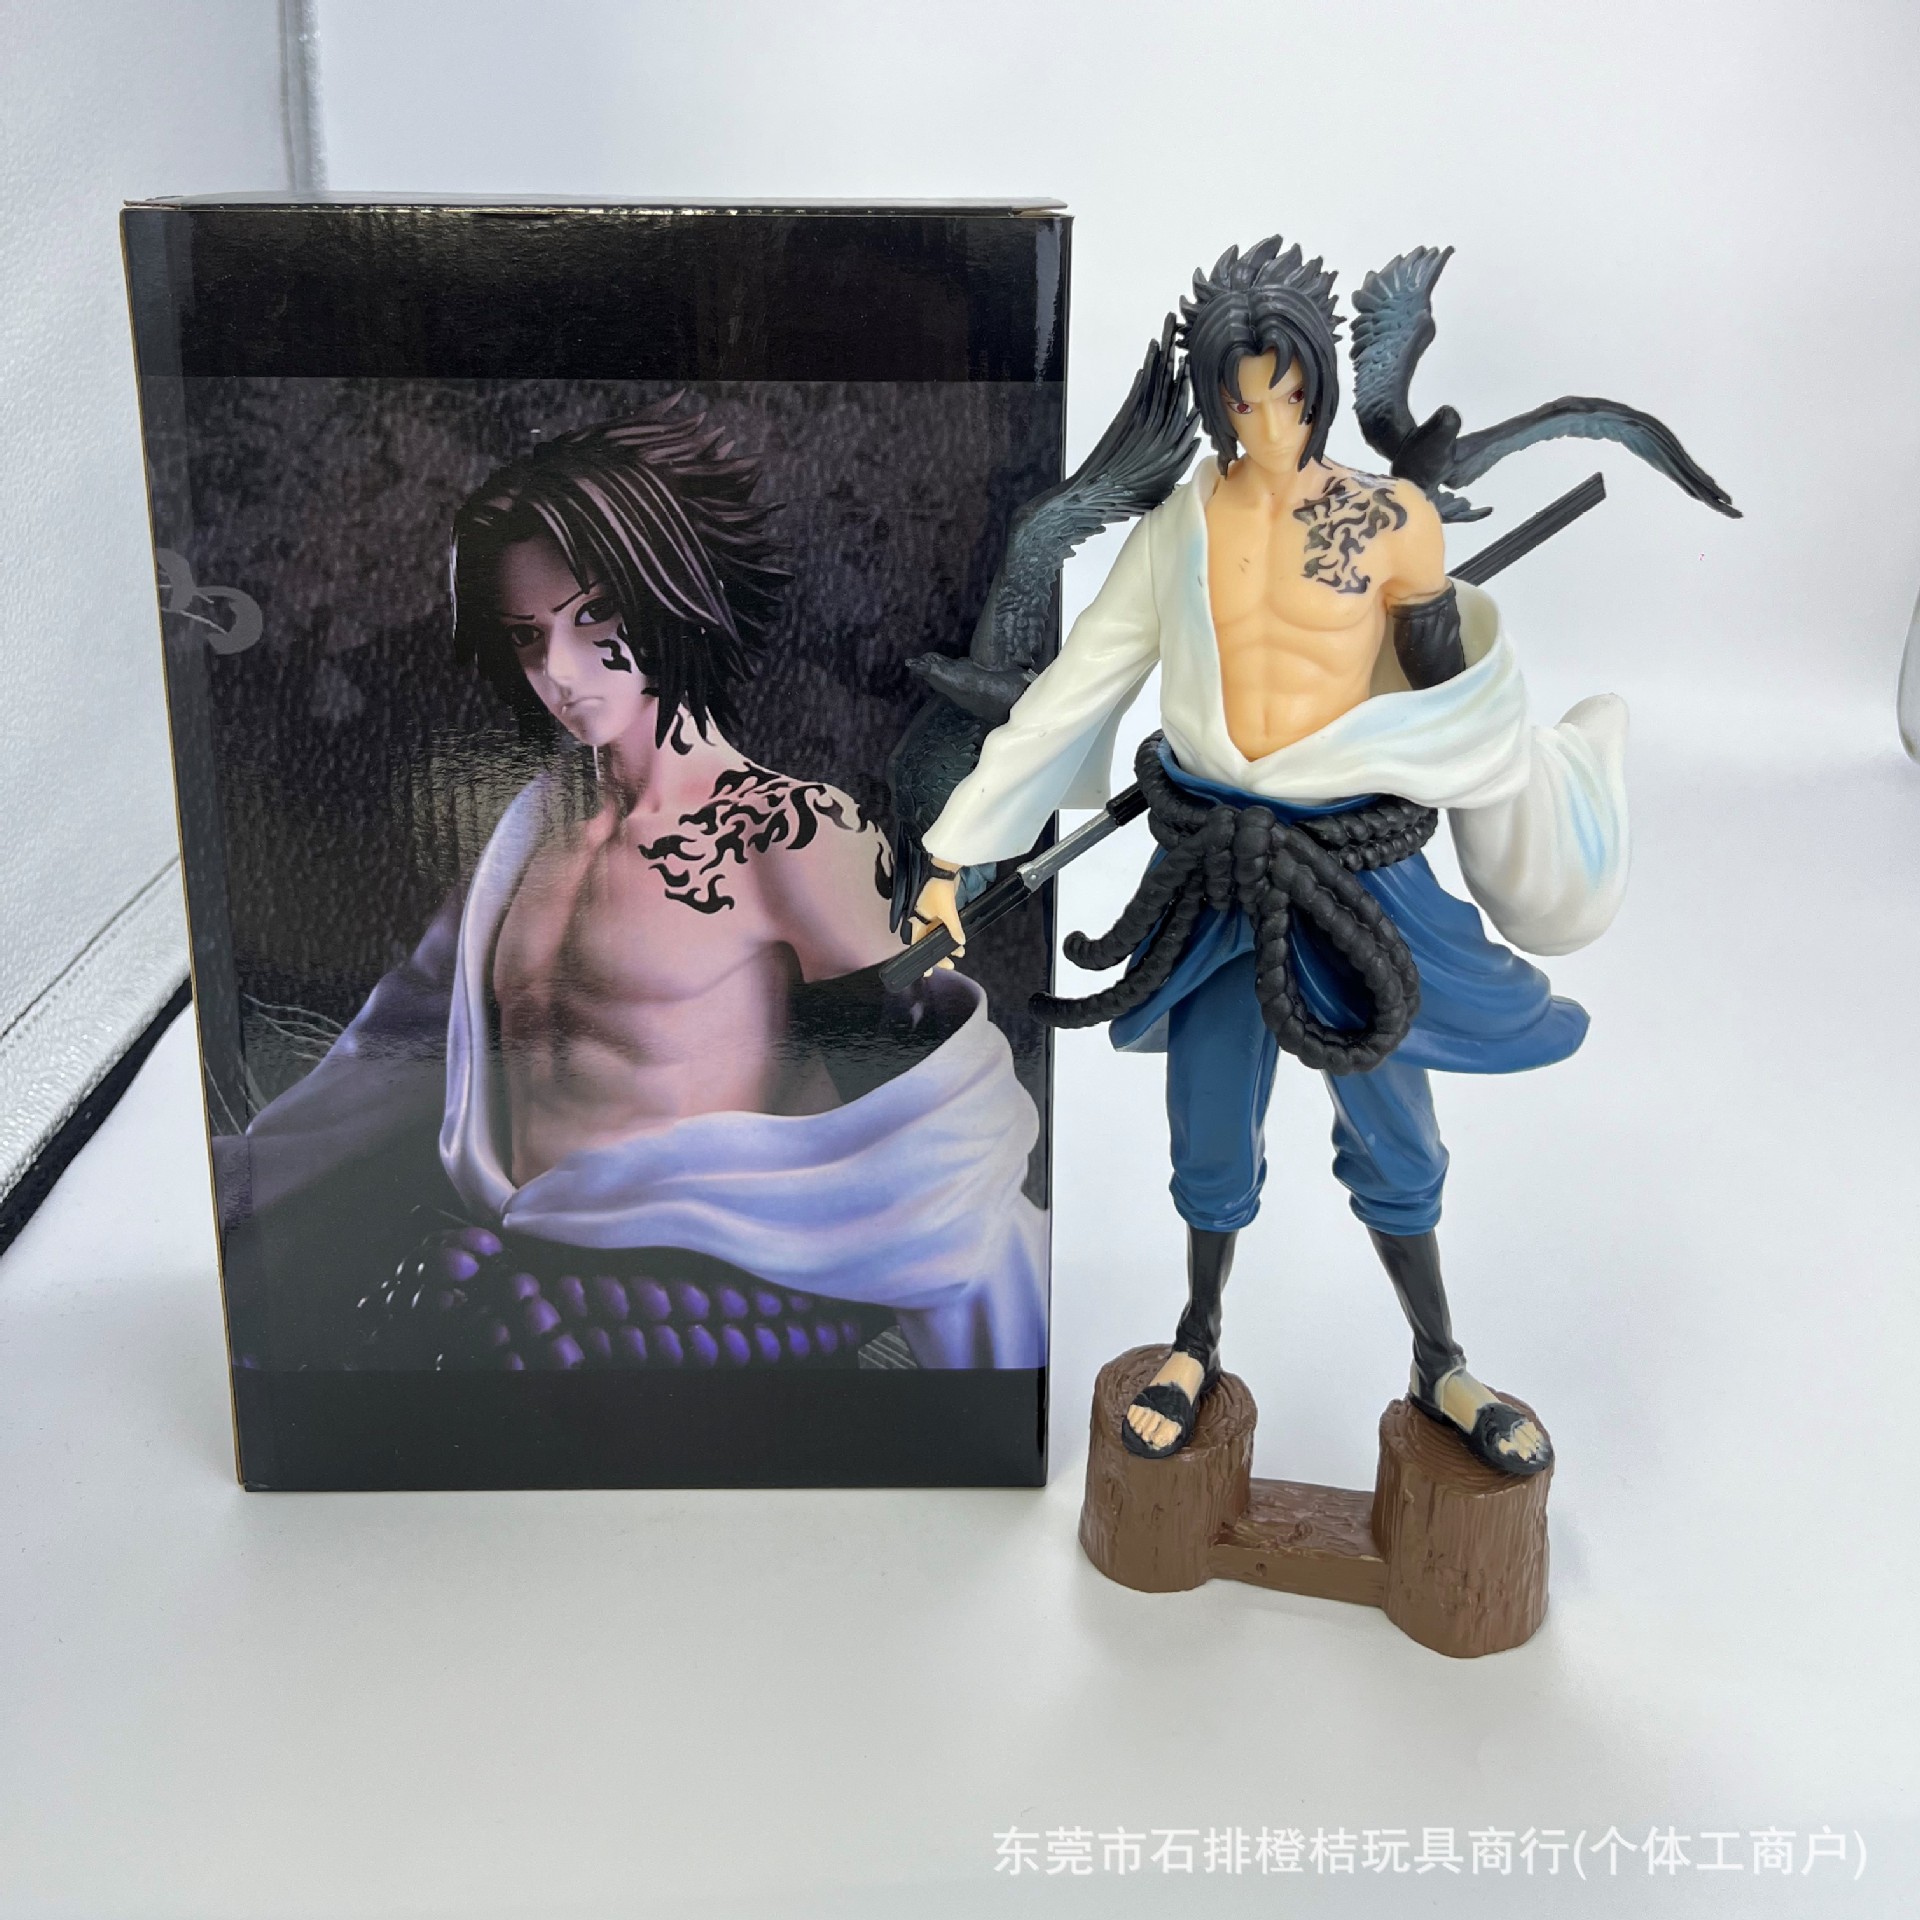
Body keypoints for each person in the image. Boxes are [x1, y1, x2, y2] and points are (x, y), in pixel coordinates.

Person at [913, 238, 1632, 1462]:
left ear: (1320, 386)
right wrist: (953, 853)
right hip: (1216, 872)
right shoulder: (1177, 530)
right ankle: (1196, 1337)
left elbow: (1442, 700)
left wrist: (1443, 649)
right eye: (1242, 401)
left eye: (1289, 395)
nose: (1269, 424)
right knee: (1207, 1127)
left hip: (1353, 871)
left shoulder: (1391, 519)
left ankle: (1441, 1361)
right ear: (1213, 400)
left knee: (1395, 1129)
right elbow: (1075, 692)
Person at [220, 402, 1048, 1372]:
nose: (559, 672)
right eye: (527, 637)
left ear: (669, 595)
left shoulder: (788, 833)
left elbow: (925, 1125)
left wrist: (999, 1389)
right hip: (526, 1267)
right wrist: (241, 1186)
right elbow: (396, 1047)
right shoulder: (526, 834)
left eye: (593, 619)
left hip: (706, 1284)